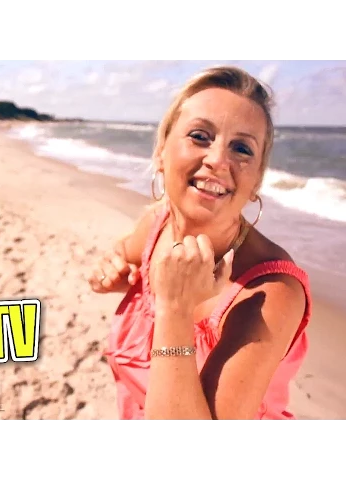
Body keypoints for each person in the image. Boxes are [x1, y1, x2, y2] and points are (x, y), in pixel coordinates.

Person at [88, 66, 311, 420]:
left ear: (256, 181)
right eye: (199, 136)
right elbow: (120, 256)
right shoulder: (156, 226)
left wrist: (175, 310)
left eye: (242, 148)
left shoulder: (269, 293)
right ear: (161, 152)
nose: (218, 160)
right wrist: (109, 272)